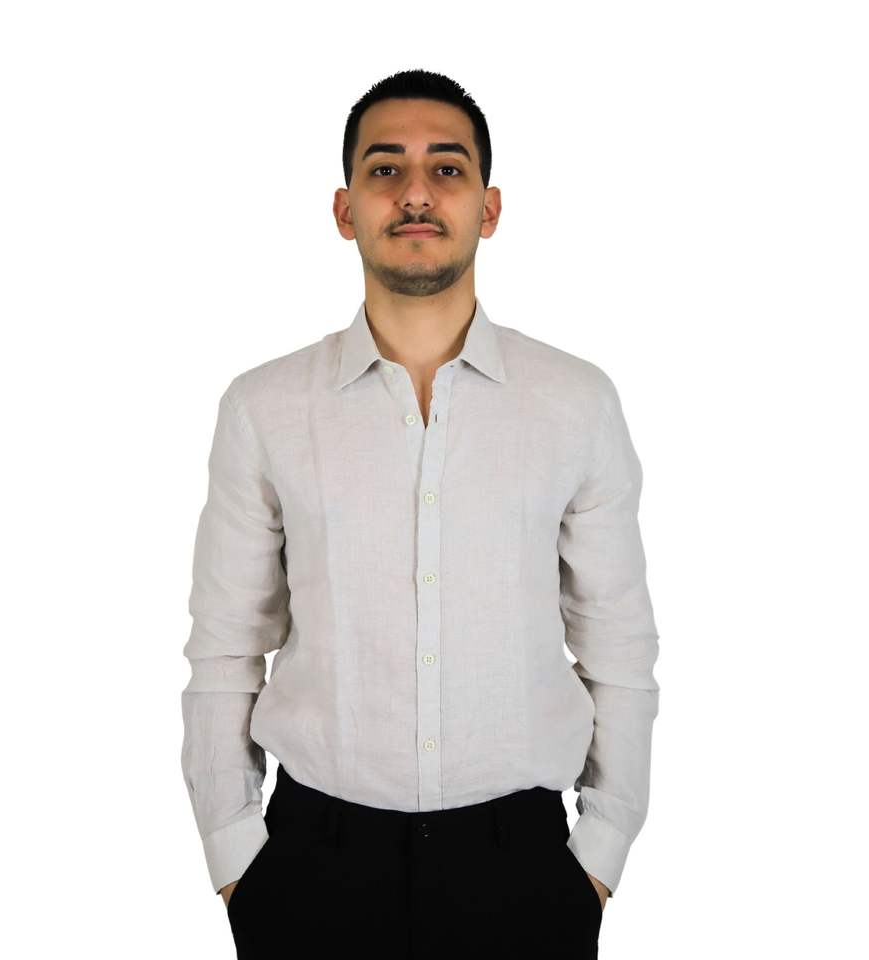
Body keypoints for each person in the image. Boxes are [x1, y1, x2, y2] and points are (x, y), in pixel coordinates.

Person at [180, 68, 660, 959]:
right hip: (311, 867)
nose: (414, 193)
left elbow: (619, 645)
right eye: (384, 169)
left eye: (446, 169)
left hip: (524, 868)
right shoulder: (264, 408)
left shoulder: (576, 403)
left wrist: (598, 855)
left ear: (489, 208)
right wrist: (235, 855)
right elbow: (225, 647)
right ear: (344, 209)